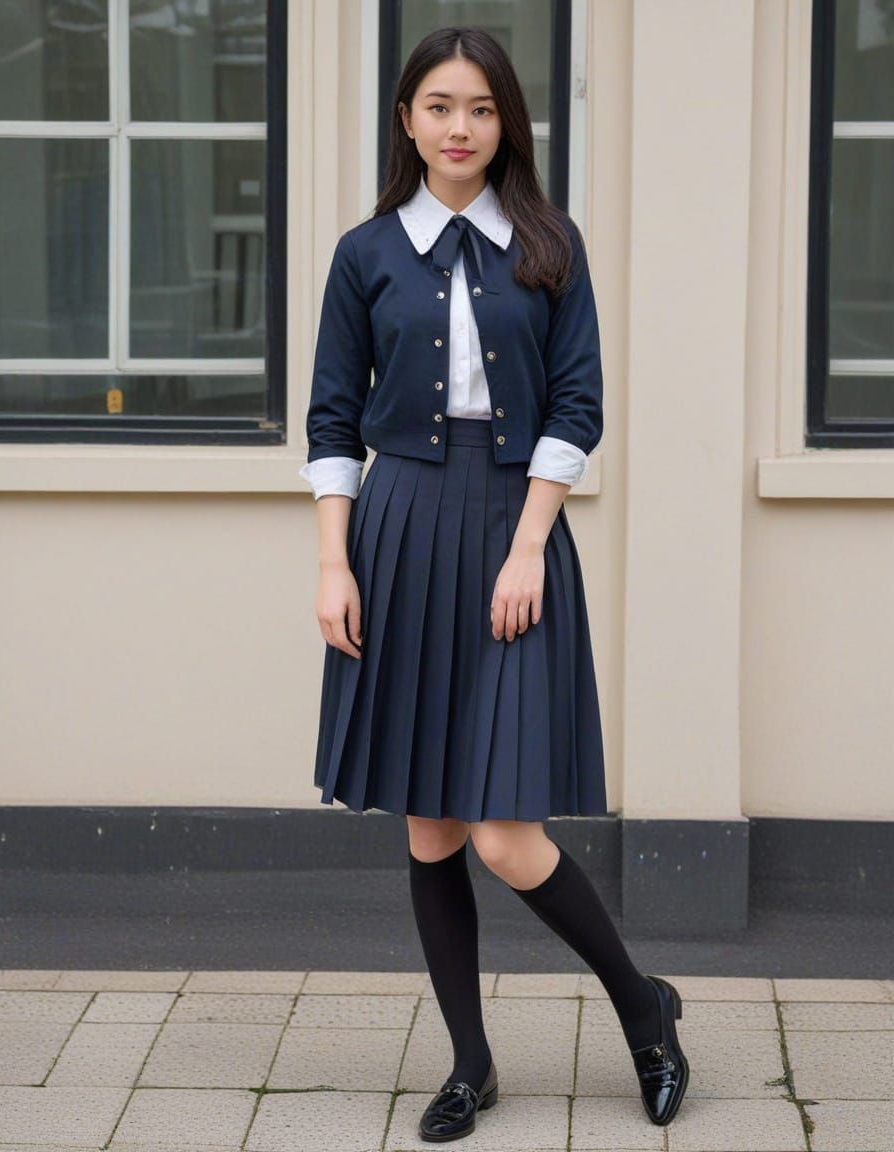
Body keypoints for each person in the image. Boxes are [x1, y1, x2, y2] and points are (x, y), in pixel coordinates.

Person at [300, 25, 689, 1144]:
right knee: (429, 827)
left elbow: (576, 407)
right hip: (399, 527)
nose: (458, 127)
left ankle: (642, 1012)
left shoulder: (546, 246)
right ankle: (470, 1061)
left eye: (478, 107)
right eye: (436, 105)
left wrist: (526, 547)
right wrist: (333, 562)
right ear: (406, 120)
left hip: (511, 526)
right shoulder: (366, 253)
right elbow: (333, 417)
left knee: (504, 833)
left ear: (504, 121)